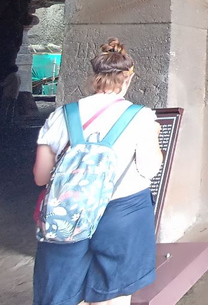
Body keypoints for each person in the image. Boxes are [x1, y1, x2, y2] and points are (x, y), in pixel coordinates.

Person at [32, 38, 163, 305]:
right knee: (113, 296)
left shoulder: (61, 115)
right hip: (123, 213)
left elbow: (41, 177)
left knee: (62, 293)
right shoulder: (142, 117)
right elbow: (150, 169)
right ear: (129, 77)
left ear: (93, 76)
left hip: (68, 215)